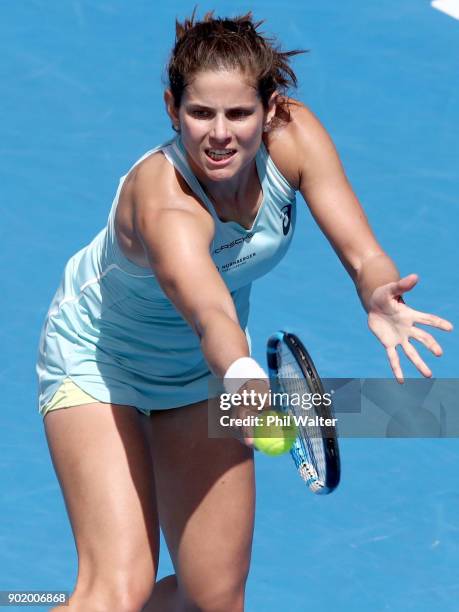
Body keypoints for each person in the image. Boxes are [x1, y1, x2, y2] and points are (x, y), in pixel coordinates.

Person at [36, 10, 453, 612]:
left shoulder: (296, 138)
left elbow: (365, 255)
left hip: (201, 376)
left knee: (212, 598)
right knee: (117, 590)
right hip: (100, 365)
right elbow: (209, 312)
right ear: (171, 108)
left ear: (271, 108)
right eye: (200, 113)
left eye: (239, 113)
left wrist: (377, 293)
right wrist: (241, 375)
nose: (219, 133)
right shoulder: (167, 206)